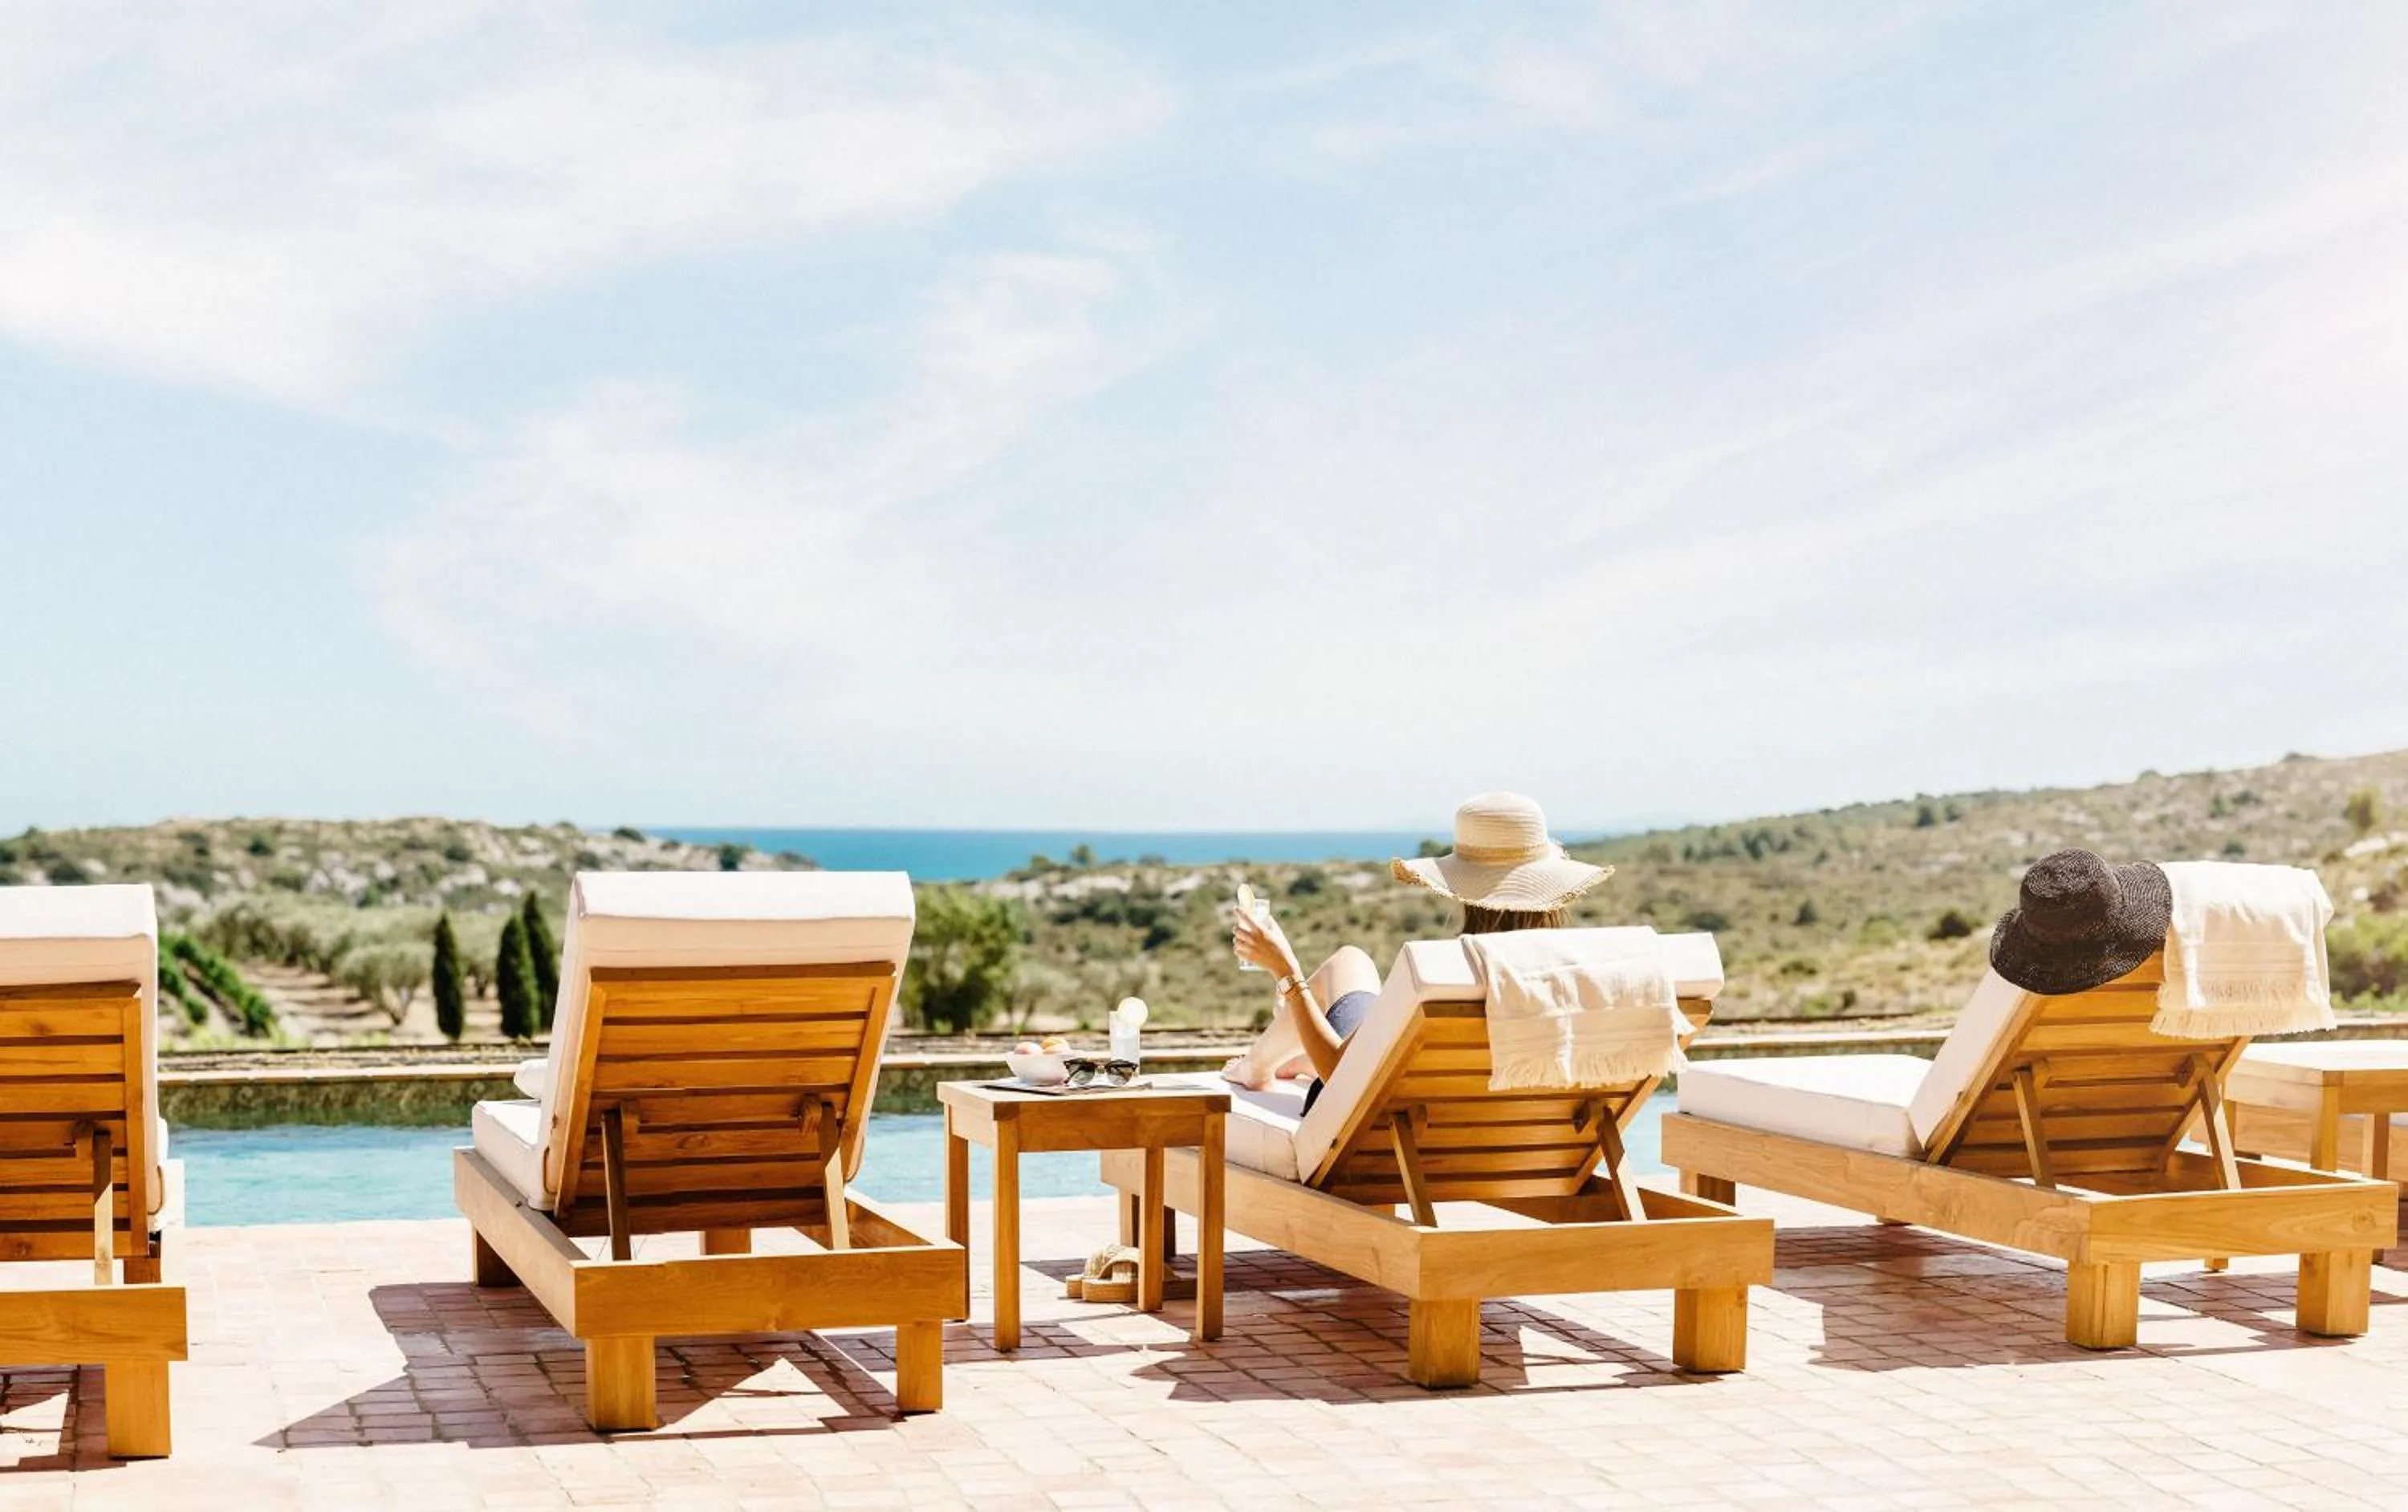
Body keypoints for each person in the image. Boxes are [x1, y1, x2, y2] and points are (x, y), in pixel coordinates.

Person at [1224, 792, 1612, 1111]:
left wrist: (1288, 974)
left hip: (1396, 1127)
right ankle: (1285, 1061)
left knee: (1348, 962)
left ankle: (1258, 1066)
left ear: (1465, 893)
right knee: (1352, 963)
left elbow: (1344, 1079)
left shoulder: (1443, 976)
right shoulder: (1586, 975)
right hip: (1528, 1135)